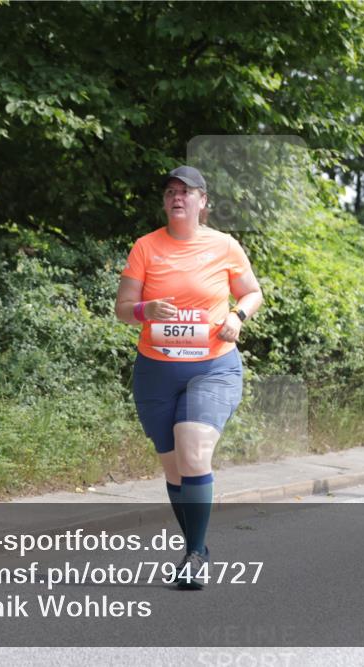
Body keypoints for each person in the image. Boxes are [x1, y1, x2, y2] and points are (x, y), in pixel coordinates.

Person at [114, 165, 263, 588]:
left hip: (213, 367)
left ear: (203, 201)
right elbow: (123, 309)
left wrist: (237, 316)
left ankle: (195, 555)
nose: (177, 197)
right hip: (156, 372)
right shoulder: (146, 247)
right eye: (170, 192)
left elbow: (253, 292)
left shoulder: (224, 245)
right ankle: (195, 545)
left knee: (193, 450)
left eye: (186, 191)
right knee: (175, 469)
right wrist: (145, 310)